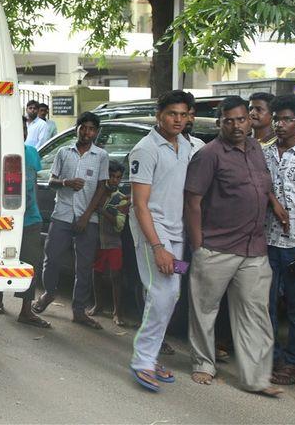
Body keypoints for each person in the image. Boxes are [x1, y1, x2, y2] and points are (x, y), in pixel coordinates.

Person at [184, 95, 283, 396]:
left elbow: (261, 185)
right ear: (220, 122)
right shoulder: (209, 154)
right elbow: (192, 201)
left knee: (256, 313)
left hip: (254, 248)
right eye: (229, 120)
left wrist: (274, 203)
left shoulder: (255, 149)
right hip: (217, 247)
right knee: (205, 309)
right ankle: (204, 363)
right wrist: (198, 246)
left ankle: (255, 378)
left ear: (249, 120)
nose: (237, 125)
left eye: (242, 119)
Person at [128, 91, 193, 392]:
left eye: (183, 114)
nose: (178, 119)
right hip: (153, 231)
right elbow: (140, 205)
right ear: (159, 115)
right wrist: (157, 247)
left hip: (177, 232)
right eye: (171, 114)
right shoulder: (146, 149)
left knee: (172, 293)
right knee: (162, 293)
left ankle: (150, 355)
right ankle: (143, 361)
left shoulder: (190, 146)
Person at [32, 111, 109, 329]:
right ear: (77, 128)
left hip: (87, 217)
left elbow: (102, 188)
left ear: (96, 132)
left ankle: (79, 310)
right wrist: (66, 182)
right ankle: (49, 293)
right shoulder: (64, 153)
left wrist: (86, 216)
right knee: (52, 258)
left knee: (84, 266)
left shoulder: (101, 156)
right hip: (62, 214)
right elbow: (52, 180)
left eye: (91, 129)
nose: (87, 132)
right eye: (83, 127)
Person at [263, 94, 295, 386]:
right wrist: (272, 201)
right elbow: (260, 187)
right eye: (277, 118)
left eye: (285, 119)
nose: (279, 124)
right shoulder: (264, 154)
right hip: (267, 241)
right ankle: (274, 357)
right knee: (266, 304)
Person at [0, 116, 51, 329]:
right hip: (6, 218)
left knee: (30, 263)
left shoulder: (32, 153)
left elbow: (33, 183)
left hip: (31, 217)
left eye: (23, 129)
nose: (21, 133)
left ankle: (26, 311)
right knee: (3, 259)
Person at [88, 161, 129, 328]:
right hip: (98, 241)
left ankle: (117, 312)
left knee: (115, 277)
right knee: (96, 273)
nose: (114, 180)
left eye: (118, 178)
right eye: (111, 176)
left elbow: (119, 225)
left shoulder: (121, 199)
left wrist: (102, 211)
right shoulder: (97, 193)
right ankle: (98, 305)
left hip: (113, 242)